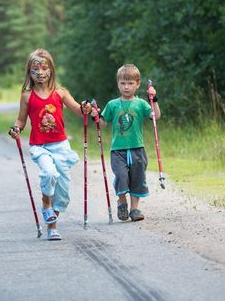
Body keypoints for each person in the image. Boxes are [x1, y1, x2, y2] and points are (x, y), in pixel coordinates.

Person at [8, 48, 92, 241]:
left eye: (44, 68)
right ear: (29, 72)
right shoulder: (27, 95)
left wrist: (86, 108)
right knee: (49, 173)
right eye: (35, 69)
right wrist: (16, 129)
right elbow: (21, 120)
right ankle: (46, 205)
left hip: (61, 146)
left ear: (51, 70)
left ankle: (52, 227)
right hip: (40, 146)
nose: (40, 72)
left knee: (62, 192)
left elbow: (79, 111)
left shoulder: (60, 93)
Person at [96, 64, 160, 222]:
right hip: (118, 150)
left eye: (130, 83)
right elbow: (103, 123)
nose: (126, 87)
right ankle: (122, 201)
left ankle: (134, 209)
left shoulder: (141, 104)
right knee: (122, 175)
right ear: (118, 84)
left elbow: (155, 116)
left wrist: (154, 100)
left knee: (137, 178)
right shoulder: (112, 104)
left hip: (137, 149)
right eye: (123, 83)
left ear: (137, 84)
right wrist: (95, 115)